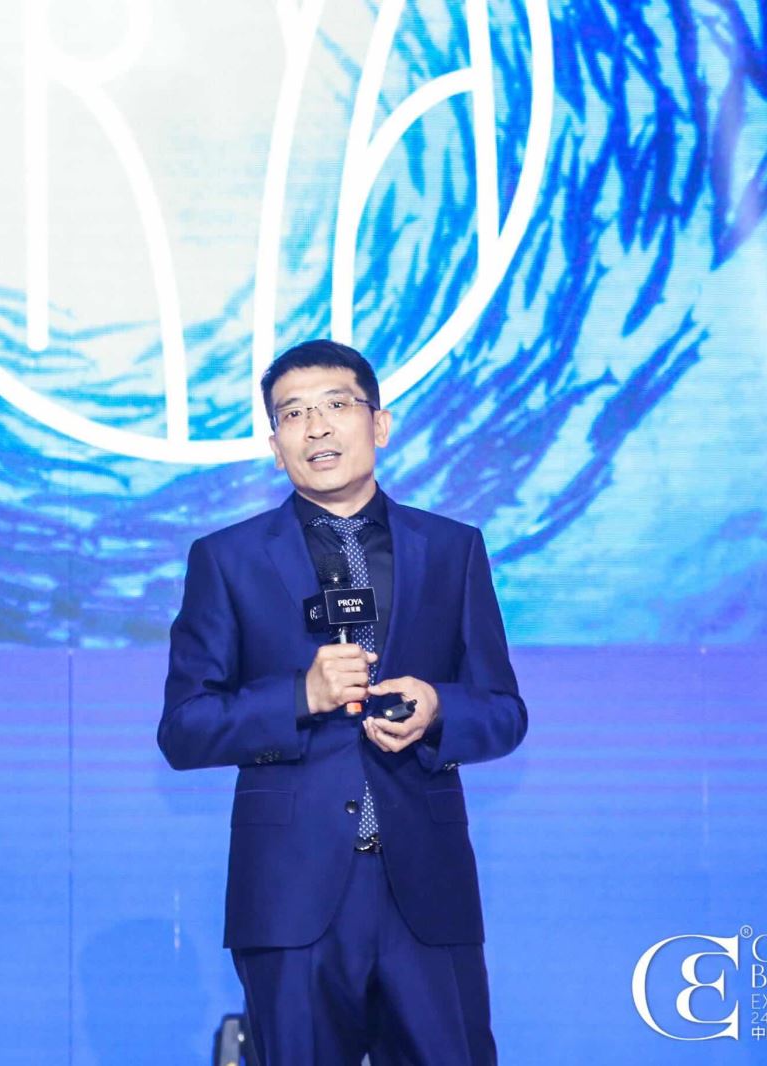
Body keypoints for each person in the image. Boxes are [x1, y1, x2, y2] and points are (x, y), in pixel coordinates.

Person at [158, 339, 526, 1065]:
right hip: (290, 896)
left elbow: (504, 712)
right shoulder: (227, 559)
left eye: (336, 405)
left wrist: (439, 709)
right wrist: (300, 695)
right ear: (275, 447)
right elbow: (185, 728)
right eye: (293, 414)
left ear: (379, 424)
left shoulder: (452, 549)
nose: (317, 427)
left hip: (426, 891)